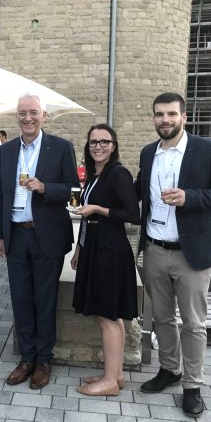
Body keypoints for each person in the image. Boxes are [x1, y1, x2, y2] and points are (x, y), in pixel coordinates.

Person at [136, 92, 211, 417]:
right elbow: (139, 189)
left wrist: (189, 197)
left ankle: (192, 385)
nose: (164, 120)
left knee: (194, 323)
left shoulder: (208, 150)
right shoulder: (148, 152)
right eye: (159, 114)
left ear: (183, 117)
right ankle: (170, 369)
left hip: (191, 254)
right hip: (154, 249)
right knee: (162, 318)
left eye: (170, 114)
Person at [0, 92, 78, 389]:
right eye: (22, 113)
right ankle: (26, 358)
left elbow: (73, 190)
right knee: (20, 299)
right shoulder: (6, 151)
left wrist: (44, 188)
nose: (27, 118)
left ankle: (43, 359)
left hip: (47, 236)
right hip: (16, 235)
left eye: (33, 112)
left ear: (44, 115)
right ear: (16, 116)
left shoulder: (61, 147)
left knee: (45, 299)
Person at [70, 124, 140, 396]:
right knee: (111, 316)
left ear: (113, 145)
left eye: (104, 142)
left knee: (107, 317)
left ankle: (110, 382)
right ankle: (116, 374)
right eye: (93, 143)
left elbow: (133, 214)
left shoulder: (119, 173)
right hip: (95, 248)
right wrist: (79, 248)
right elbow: (87, 218)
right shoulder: (95, 174)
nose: (98, 147)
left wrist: (98, 208)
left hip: (110, 252)